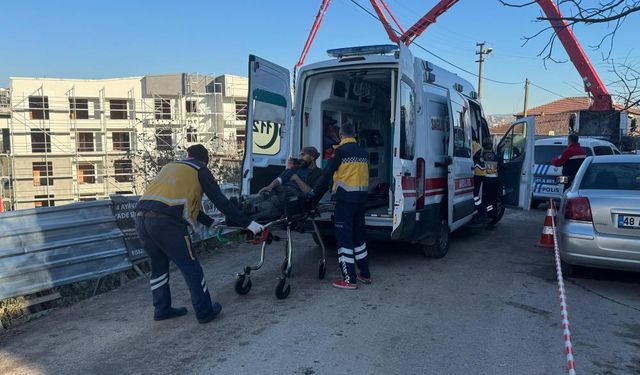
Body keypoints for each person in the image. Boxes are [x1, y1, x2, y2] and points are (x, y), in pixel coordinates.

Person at [135, 144, 263, 324]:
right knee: (191, 267)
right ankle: (205, 312)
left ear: (188, 155)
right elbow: (220, 201)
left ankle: (161, 309)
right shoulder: (200, 169)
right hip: (167, 224)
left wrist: (210, 222)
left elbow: (177, 202)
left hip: (141, 219)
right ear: (206, 160)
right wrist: (250, 224)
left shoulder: (170, 167)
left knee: (159, 267)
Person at [307, 123, 371, 290]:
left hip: (345, 202)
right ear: (355, 134)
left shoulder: (340, 152)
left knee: (344, 240)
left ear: (341, 135)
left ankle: (349, 279)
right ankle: (364, 274)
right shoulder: (363, 153)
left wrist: (313, 195)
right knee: (359, 239)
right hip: (361, 201)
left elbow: (326, 175)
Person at [237, 147, 322, 222]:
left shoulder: (318, 173)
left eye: (303, 155)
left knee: (275, 200)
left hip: (295, 197)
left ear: (312, 157)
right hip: (282, 190)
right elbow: (280, 179)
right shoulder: (296, 168)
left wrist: (297, 179)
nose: (300, 158)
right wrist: (270, 186)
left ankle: (252, 208)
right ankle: (241, 203)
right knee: (265, 194)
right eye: (300, 155)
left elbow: (311, 192)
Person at [479, 138, 499, 230]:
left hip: (485, 182)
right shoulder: (495, 156)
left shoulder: (482, 156)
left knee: (487, 202)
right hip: (494, 182)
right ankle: (492, 219)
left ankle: (487, 217)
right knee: (493, 201)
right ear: (491, 146)